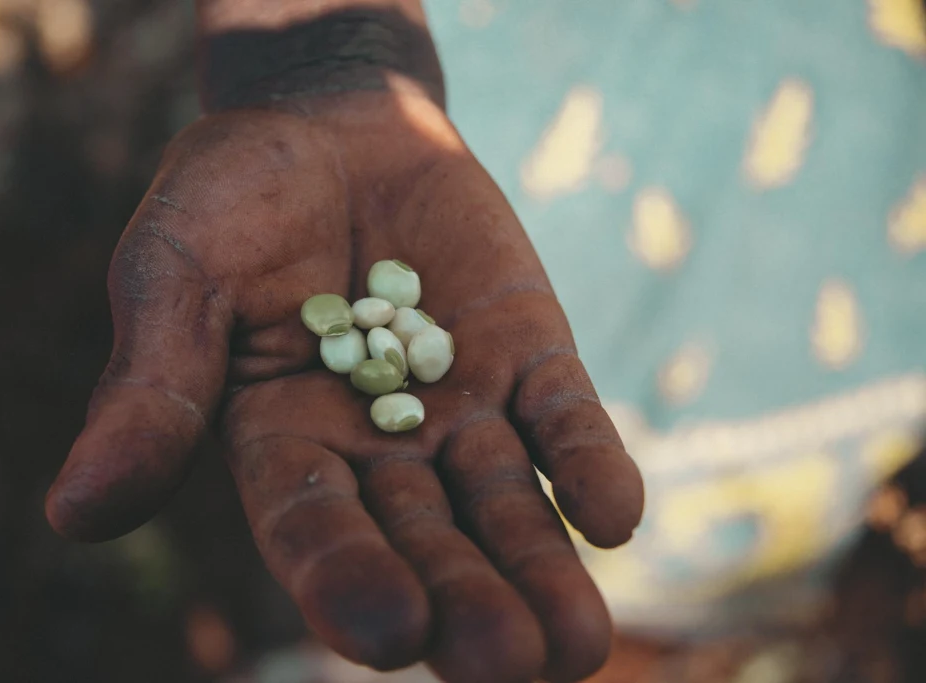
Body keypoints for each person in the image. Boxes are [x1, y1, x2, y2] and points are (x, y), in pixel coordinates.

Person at [45, 1, 926, 681]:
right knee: (478, 502)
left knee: (628, 529)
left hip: (856, 157)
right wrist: (319, 57)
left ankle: (672, 621)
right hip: (462, 102)